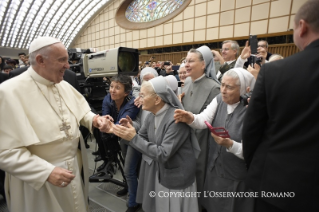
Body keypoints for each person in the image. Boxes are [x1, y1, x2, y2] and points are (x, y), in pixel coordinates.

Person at [0, 36, 107, 212]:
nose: (68, 65)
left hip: (73, 167)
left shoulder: (63, 84)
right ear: (41, 60)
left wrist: (95, 120)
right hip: (37, 179)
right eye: (62, 60)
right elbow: (5, 151)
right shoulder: (8, 92)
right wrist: (45, 172)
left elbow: (82, 111)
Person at [242, 1, 319, 212]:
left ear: (302, 27)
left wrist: (256, 166)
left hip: (277, 183)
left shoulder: (275, 72)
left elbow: (251, 131)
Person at [101, 76, 200, 212]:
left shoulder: (176, 119)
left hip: (176, 178)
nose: (139, 99)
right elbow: (141, 135)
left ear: (157, 99)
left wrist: (133, 137)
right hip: (162, 173)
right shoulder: (152, 114)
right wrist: (122, 129)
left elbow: (163, 154)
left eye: (142, 95)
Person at [175, 68, 256, 212]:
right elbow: (203, 119)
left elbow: (253, 151)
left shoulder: (252, 111)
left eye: (229, 87)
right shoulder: (219, 100)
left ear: (245, 89)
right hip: (216, 171)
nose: (223, 90)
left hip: (236, 177)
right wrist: (191, 118)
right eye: (222, 85)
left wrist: (229, 144)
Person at [181, 46, 220, 201]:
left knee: (199, 178)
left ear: (203, 64)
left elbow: (212, 122)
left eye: (191, 61)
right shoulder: (187, 83)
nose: (186, 64)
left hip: (203, 143)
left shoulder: (213, 88)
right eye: (186, 61)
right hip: (185, 140)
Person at [99, 74, 140, 212]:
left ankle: (133, 202)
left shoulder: (133, 103)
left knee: (129, 170)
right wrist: (105, 119)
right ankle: (129, 187)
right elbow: (105, 114)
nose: (112, 90)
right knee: (125, 167)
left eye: (117, 88)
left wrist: (108, 125)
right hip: (121, 137)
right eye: (111, 86)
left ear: (127, 92)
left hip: (134, 138)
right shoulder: (107, 98)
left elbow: (121, 125)